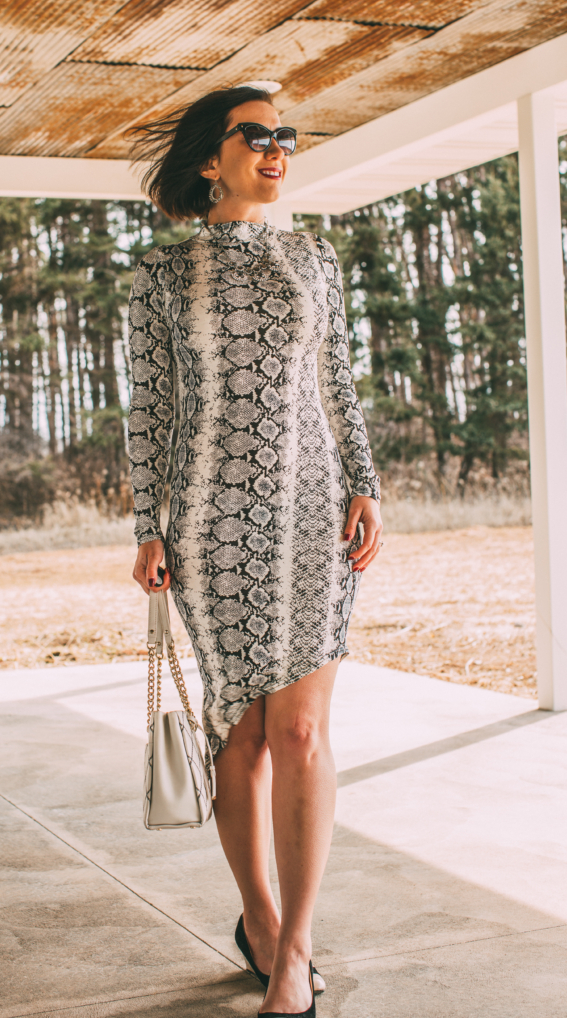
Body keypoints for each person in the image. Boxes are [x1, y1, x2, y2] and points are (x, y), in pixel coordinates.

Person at [127, 85, 382, 1018]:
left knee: (300, 731)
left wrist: (365, 482)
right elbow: (151, 410)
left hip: (313, 508)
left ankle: (295, 953)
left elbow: (338, 383)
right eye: (257, 136)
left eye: (286, 137)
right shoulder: (160, 278)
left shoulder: (315, 260)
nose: (278, 149)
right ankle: (262, 923)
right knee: (239, 731)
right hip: (207, 514)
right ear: (210, 158)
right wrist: (145, 527)